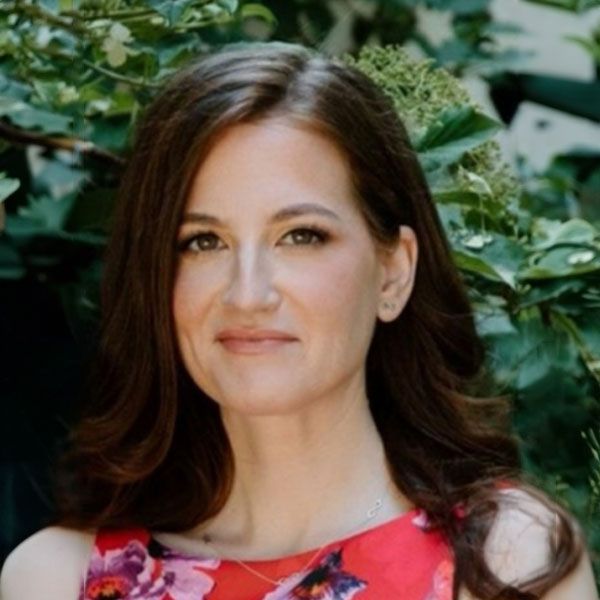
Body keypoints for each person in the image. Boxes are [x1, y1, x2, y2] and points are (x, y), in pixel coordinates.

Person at [0, 41, 597, 600]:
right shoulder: (56, 579)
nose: (248, 294)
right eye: (203, 241)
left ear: (393, 273)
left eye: (301, 236)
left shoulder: (506, 562)